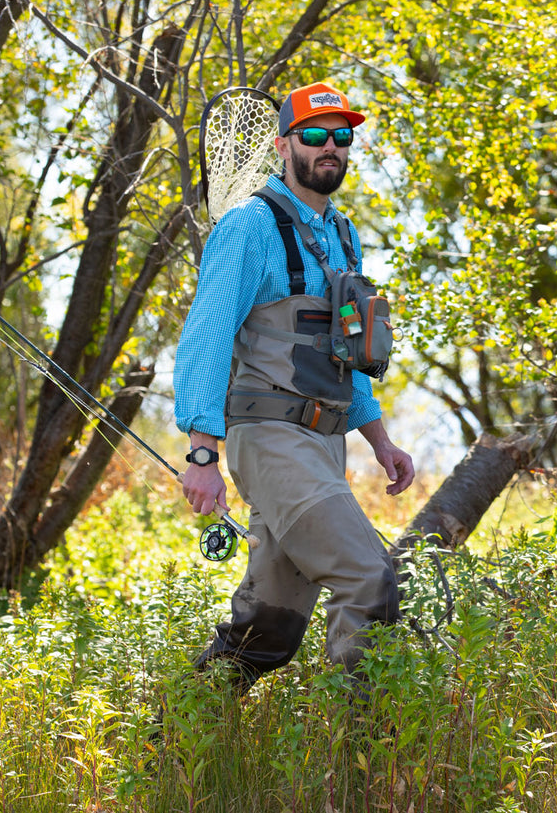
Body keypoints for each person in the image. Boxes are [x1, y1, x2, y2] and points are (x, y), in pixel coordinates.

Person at [173, 82, 414, 693]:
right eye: (313, 135)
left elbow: (344, 354)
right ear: (284, 145)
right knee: (369, 578)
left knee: (269, 630)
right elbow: (207, 335)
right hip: (272, 439)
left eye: (341, 135)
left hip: (325, 445)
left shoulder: (344, 234)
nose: (329, 146)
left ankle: (170, 746)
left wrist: (380, 441)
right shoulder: (248, 227)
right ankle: (366, 763)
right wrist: (202, 454)